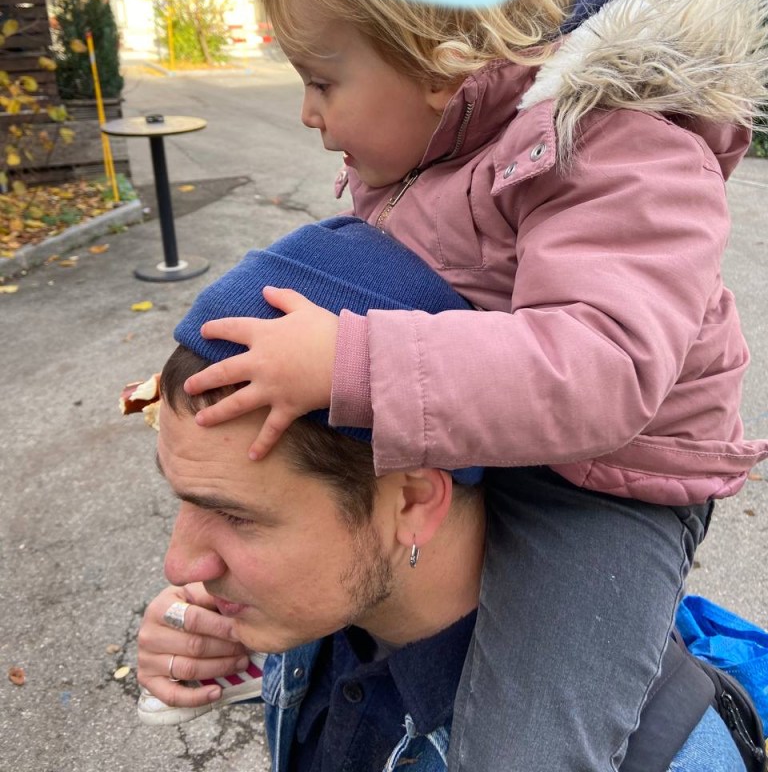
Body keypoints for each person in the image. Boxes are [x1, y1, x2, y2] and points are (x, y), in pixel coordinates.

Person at [175, 0, 768, 771]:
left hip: (607, 481)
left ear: (437, 61)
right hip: (492, 429)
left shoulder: (616, 142)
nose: (306, 114)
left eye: (323, 81)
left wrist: (350, 363)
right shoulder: (431, 150)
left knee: (525, 742)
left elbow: (601, 372)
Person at [137, 218, 757, 772]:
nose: (180, 566)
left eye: (234, 516)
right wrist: (208, 645)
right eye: (186, 501)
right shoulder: (324, 606)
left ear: (413, 503)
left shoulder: (661, 758)